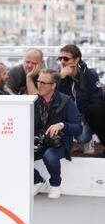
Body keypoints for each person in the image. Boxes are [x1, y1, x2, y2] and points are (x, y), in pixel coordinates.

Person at [33, 68, 82, 199]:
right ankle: (38, 181)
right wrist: (29, 141)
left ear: (53, 85)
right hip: (39, 142)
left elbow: (78, 128)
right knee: (17, 153)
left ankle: (55, 185)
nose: (39, 85)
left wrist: (62, 125)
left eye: (43, 83)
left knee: (50, 156)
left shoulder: (66, 101)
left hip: (59, 144)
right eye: (38, 81)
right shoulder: (34, 101)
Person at [56, 44, 104, 154]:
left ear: (76, 60)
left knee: (82, 136)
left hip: (87, 118)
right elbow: (59, 101)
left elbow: (97, 103)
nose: (62, 62)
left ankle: (89, 141)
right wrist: (61, 79)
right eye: (61, 58)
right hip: (70, 117)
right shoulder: (63, 76)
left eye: (66, 59)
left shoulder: (89, 75)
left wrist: (82, 120)